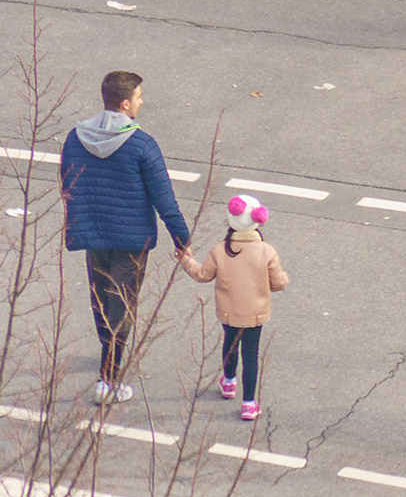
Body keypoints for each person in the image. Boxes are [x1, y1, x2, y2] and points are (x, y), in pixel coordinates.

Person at [60, 71, 192, 404]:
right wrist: (182, 238)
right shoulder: (142, 145)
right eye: (139, 96)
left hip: (93, 234)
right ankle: (109, 379)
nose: (141, 101)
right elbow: (164, 198)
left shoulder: (76, 138)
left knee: (101, 299)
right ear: (125, 103)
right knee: (122, 305)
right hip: (131, 240)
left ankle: (108, 353)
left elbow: (68, 184)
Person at [179, 195, 289, 422]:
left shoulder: (220, 250)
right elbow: (277, 283)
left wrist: (186, 260)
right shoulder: (267, 251)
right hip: (256, 314)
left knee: (230, 344)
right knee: (251, 355)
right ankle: (249, 403)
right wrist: (285, 279)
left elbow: (203, 275)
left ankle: (229, 381)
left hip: (228, 312)